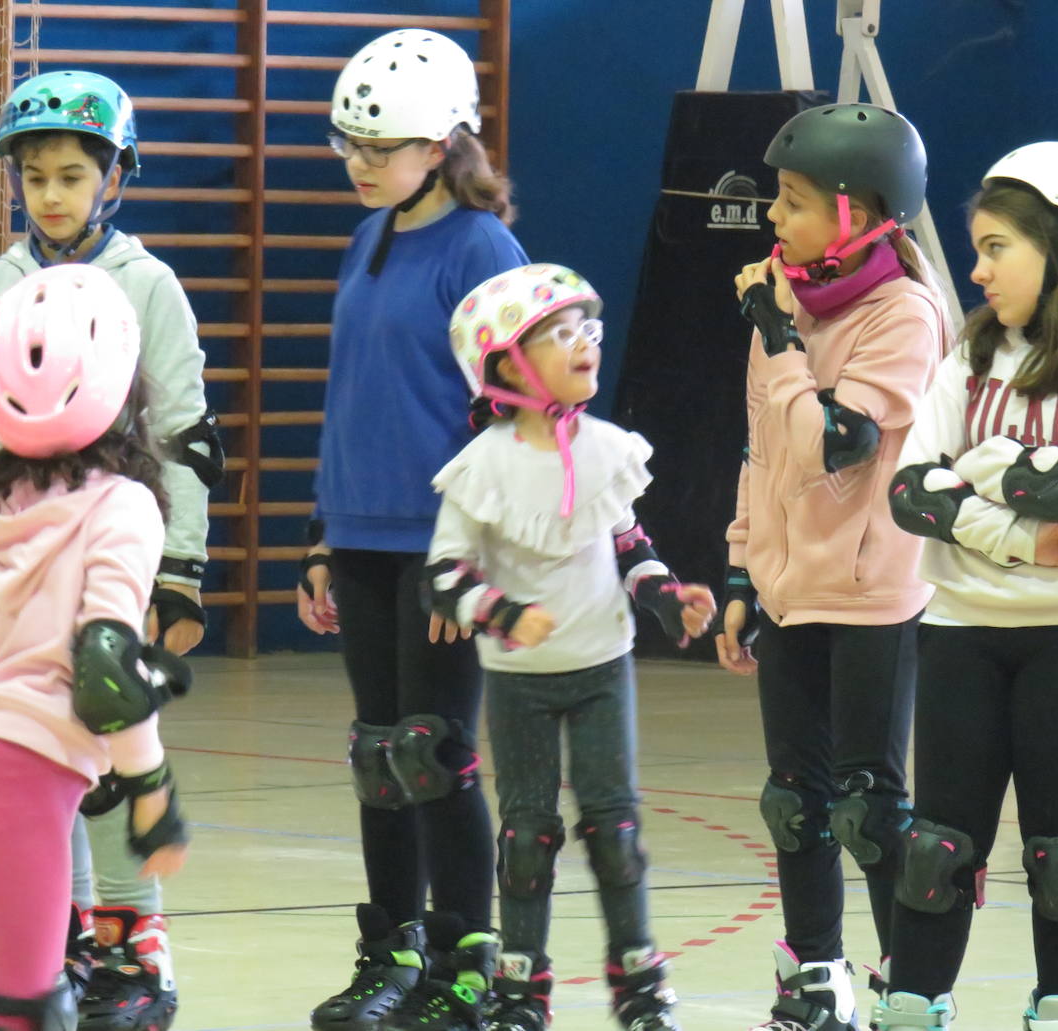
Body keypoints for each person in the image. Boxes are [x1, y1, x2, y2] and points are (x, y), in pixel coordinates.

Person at [0, 69, 220, 1031]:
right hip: (15, 544)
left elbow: (186, 434)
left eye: (70, 175)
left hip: (114, 530)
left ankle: (137, 940)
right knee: (41, 751)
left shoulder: (147, 284)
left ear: (112, 180)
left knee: (103, 718)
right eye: (35, 178)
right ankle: (65, 943)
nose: (51, 195)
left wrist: (177, 569)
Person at [872, 142, 1058, 1030]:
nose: (977, 269)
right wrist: (1017, 527)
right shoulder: (971, 353)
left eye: (997, 245)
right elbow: (907, 491)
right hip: (962, 626)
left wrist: (978, 467)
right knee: (935, 849)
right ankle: (912, 1006)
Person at [296, 28, 528, 1031]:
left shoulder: (483, 250)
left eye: (375, 148)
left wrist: (471, 555)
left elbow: (523, 422)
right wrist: (317, 532)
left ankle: (465, 964)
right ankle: (386, 952)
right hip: (358, 536)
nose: (356, 164)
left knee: (434, 754)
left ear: (439, 145)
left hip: (440, 547)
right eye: (346, 144)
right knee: (380, 758)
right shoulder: (371, 233)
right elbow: (351, 394)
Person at [427, 263, 716, 1031]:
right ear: (505, 364)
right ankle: (521, 987)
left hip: (600, 669)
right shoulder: (482, 466)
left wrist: (666, 597)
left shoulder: (608, 447)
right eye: (561, 334)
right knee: (527, 837)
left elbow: (628, 543)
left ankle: (640, 981)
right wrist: (502, 611)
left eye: (588, 328)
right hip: (520, 678)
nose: (586, 341)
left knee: (616, 833)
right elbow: (444, 576)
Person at [714, 102, 951, 1031]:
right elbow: (763, 450)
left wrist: (778, 341)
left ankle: (908, 984)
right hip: (788, 585)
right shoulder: (784, 294)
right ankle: (816, 978)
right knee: (793, 804)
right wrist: (739, 572)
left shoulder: (905, 315)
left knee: (866, 808)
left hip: (870, 590)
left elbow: (832, 447)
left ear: (857, 215)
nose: (774, 217)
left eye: (795, 201)